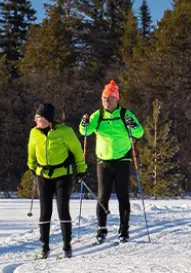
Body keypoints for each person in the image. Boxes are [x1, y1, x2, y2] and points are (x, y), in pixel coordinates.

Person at [79, 80, 144, 243]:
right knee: (103, 197)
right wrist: (84, 123)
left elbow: (139, 133)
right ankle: (101, 230)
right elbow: (85, 131)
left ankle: (124, 230)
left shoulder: (125, 114)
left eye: (109, 98)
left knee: (123, 196)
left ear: (116, 99)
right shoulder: (98, 115)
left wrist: (133, 125)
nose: (106, 101)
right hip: (104, 161)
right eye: (103, 98)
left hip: (123, 159)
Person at [27, 102, 85, 259]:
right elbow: (31, 151)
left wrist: (81, 170)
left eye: (39, 117)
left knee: (62, 210)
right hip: (43, 175)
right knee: (45, 211)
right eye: (36, 117)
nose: (36, 120)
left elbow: (77, 151)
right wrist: (32, 166)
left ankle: (67, 245)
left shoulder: (65, 132)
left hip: (63, 175)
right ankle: (44, 246)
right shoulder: (34, 133)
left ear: (48, 119)